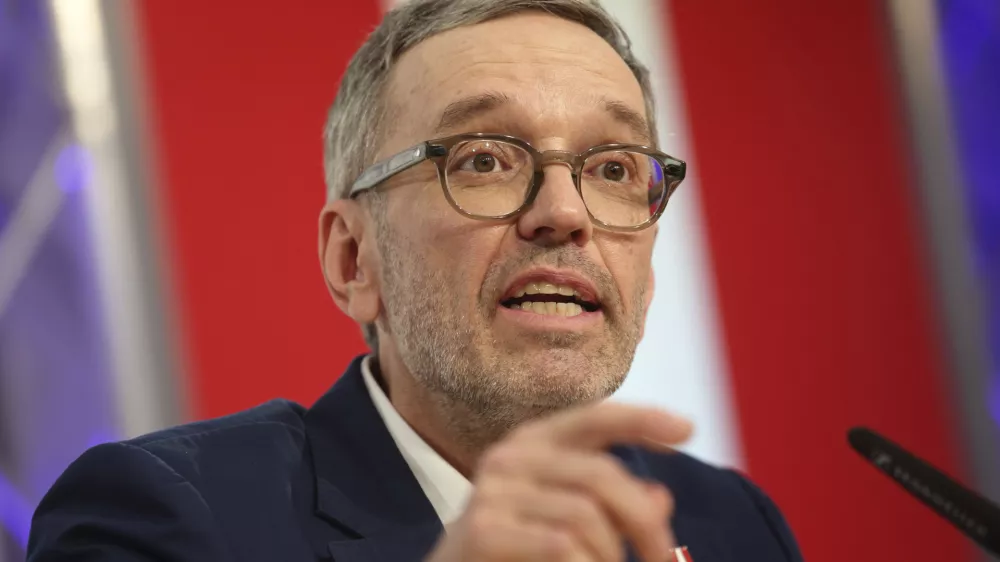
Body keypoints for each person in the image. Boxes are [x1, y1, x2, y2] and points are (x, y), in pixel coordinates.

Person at [28, 1, 804, 560]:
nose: (566, 214)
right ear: (353, 260)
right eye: (484, 160)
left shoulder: (730, 524)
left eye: (612, 169)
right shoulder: (162, 520)